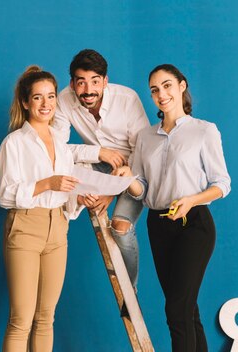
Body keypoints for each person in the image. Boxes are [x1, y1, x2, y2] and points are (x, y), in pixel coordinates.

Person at [121, 64, 231, 351]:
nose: (161, 94)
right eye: (155, 90)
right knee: (186, 310)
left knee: (177, 311)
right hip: (158, 225)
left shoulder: (204, 131)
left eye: (167, 85)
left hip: (193, 224)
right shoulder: (145, 137)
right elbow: (141, 188)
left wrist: (191, 199)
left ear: (182, 86)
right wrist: (127, 179)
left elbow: (222, 183)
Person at [0, 66, 99, 351]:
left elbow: (63, 195)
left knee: (46, 318)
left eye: (51, 97)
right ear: (26, 102)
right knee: (21, 320)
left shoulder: (62, 145)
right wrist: (47, 183)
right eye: (38, 98)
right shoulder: (14, 143)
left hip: (58, 230)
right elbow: (5, 194)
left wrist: (78, 200)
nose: (46, 104)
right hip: (25, 228)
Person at [53, 49, 150, 287]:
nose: (88, 90)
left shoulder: (127, 99)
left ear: (105, 81)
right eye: (81, 82)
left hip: (133, 170)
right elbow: (57, 149)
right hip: (97, 165)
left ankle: (130, 289)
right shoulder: (63, 100)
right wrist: (99, 152)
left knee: (119, 226)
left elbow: (143, 151)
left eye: (95, 81)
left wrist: (111, 190)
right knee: (58, 173)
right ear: (72, 83)